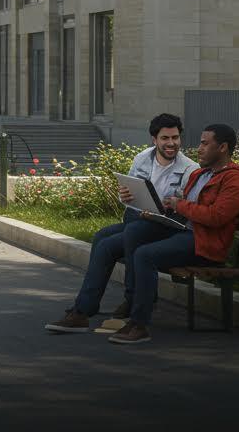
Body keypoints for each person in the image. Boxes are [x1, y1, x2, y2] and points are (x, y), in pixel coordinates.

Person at [48, 124, 239, 345]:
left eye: (205, 143)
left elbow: (216, 217)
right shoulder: (203, 174)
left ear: (222, 147)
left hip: (203, 243)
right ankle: (82, 312)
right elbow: (186, 205)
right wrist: (162, 208)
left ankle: (138, 322)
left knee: (144, 254)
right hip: (181, 229)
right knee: (113, 240)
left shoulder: (235, 179)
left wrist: (179, 204)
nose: (199, 148)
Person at [43, 114, 198, 330]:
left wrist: (175, 203)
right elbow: (130, 191)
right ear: (154, 140)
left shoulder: (190, 168)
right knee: (102, 236)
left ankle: (91, 309)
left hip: (166, 226)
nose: (171, 143)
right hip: (138, 217)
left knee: (115, 242)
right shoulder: (143, 158)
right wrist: (124, 196)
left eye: (175, 138)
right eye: (165, 138)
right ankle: (89, 309)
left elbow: (187, 210)